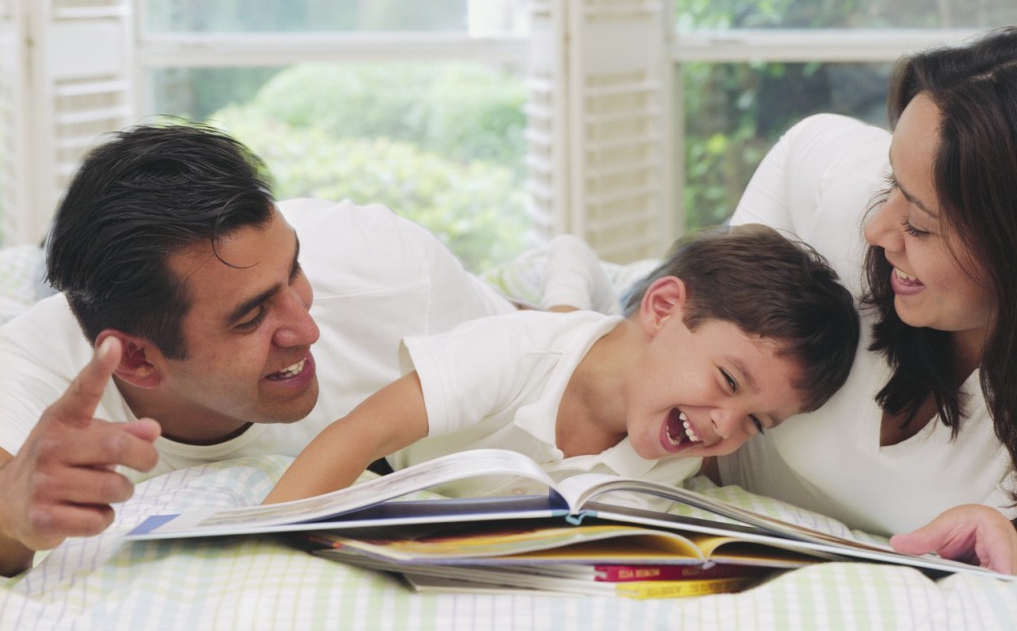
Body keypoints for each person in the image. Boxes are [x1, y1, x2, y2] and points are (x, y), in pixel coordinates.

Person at [0, 122, 525, 577]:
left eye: (294, 269)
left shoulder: (393, 276)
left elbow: (553, 363)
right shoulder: (26, 375)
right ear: (138, 361)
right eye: (251, 317)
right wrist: (12, 515)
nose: (306, 328)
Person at [263, 224, 860, 503]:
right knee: (562, 274)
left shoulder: (677, 460)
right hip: (403, 444)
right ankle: (563, 289)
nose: (726, 427)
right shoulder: (516, 352)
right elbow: (360, 432)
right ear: (664, 308)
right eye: (729, 382)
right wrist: (262, 541)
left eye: (757, 424)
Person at [714, 26, 1017, 574]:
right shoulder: (853, 222)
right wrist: (732, 311)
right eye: (892, 184)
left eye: (920, 226)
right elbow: (802, 143)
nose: (879, 228)